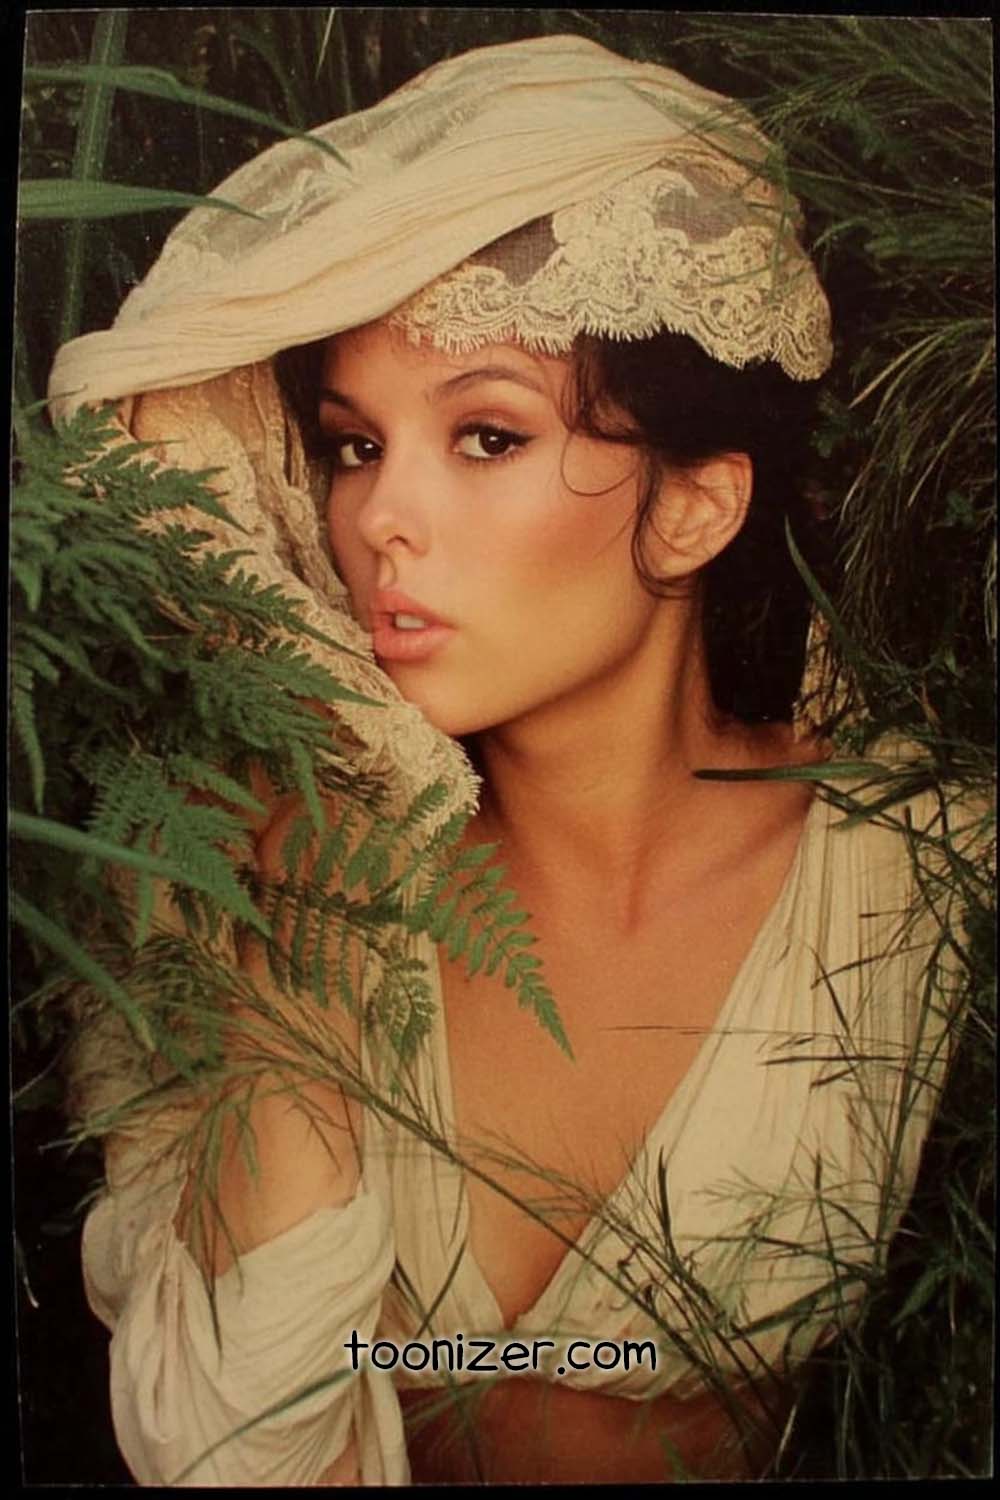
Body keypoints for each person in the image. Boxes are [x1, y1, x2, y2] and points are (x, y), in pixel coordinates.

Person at [49, 34, 979, 1486]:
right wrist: (284, 995)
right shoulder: (271, 871)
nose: (378, 526)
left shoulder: (922, 868)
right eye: (353, 448)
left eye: (484, 434)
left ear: (690, 512)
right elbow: (225, 1448)